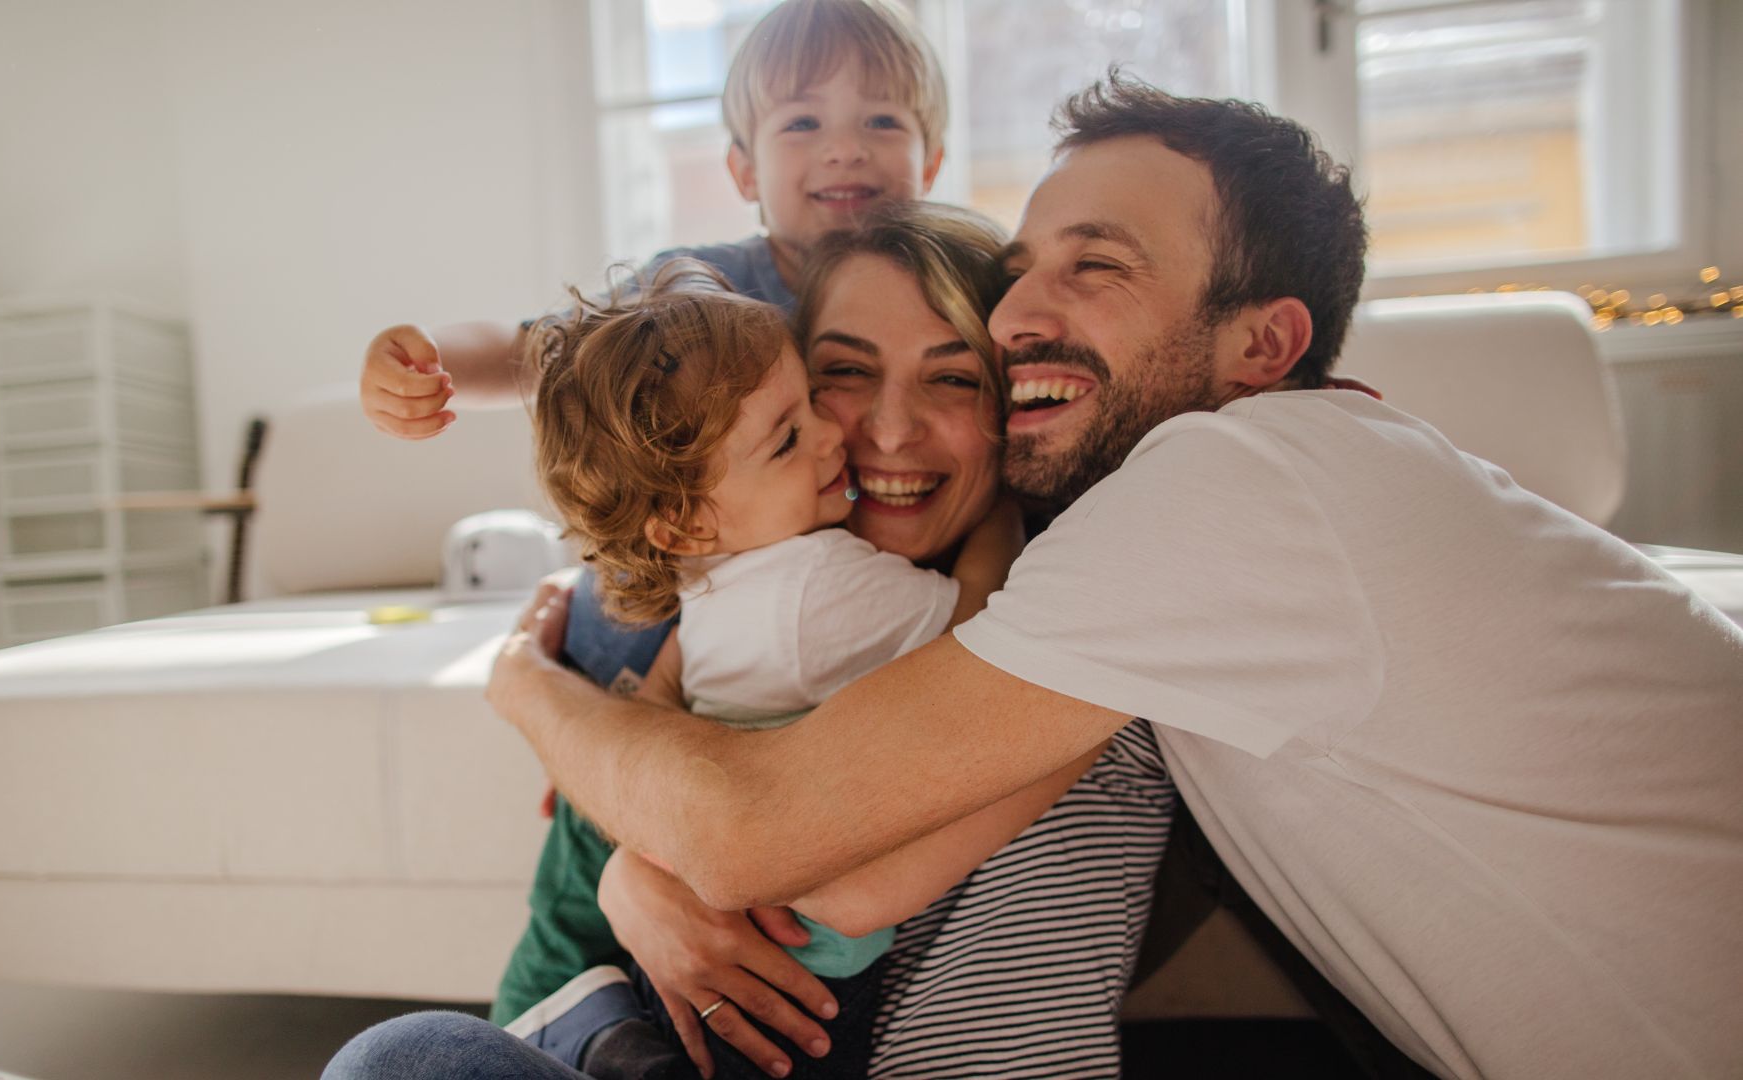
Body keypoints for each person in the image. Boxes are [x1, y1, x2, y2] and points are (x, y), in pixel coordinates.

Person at [486, 71, 1743, 1080]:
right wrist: (629, 861)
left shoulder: (1226, 487)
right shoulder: (1178, 536)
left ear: (1266, 344)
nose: (1022, 311)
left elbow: (769, 841)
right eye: (1021, 269)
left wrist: (527, 689)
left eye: (1093, 266)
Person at [323, 205, 1177, 1080]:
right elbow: (542, 353)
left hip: (811, 1039)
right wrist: (635, 862)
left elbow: (813, 870)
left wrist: (532, 692)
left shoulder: (1068, 645)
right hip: (679, 999)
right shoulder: (742, 584)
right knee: (406, 1058)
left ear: (1015, 404)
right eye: (840, 374)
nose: (873, 432)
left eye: (954, 380)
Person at [355, 0, 947, 439]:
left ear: (932, 165)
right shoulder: (693, 286)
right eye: (802, 124)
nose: (844, 149)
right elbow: (539, 351)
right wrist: (429, 359)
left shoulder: (960, 290)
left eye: (881, 122)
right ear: (744, 172)